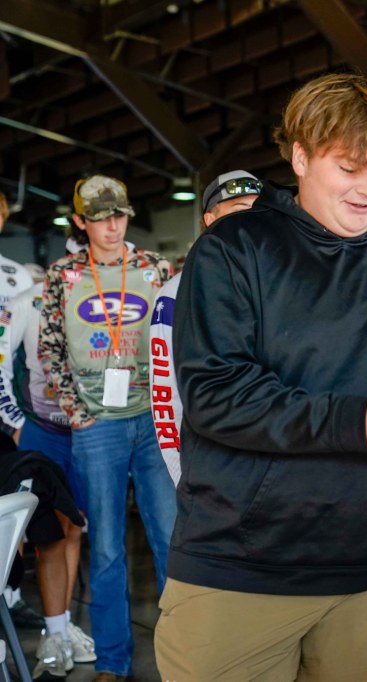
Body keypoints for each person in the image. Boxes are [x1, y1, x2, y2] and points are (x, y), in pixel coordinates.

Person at [154, 73, 367, 682]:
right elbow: (215, 394)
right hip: (240, 569)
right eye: (349, 168)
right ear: (301, 157)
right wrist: (351, 422)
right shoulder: (235, 248)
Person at [39, 175, 177, 682]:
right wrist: (77, 411)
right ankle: (113, 662)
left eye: (119, 215)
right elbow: (50, 348)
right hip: (97, 428)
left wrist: (171, 408)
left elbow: (176, 335)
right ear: (81, 222)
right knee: (106, 550)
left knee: (171, 541)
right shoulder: (63, 275)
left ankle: (183, 658)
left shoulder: (155, 268)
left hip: (153, 422)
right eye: (100, 218)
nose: (112, 226)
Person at [0, 268, 97, 678]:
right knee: (41, 530)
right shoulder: (27, 301)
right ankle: (37, 616)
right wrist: (16, 420)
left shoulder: (99, 296)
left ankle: (60, 626)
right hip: (40, 430)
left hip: (88, 428)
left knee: (71, 526)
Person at [149, 170, 261, 485]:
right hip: (213, 471)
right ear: (211, 219)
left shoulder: (282, 284)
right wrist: (181, 476)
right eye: (239, 209)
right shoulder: (175, 293)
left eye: (258, 210)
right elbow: (165, 394)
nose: (251, 219)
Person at [0, 192, 47, 631]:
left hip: (6, 417)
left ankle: (10, 594)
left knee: (11, 504)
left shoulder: (15, 277)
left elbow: (14, 358)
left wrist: (14, 419)